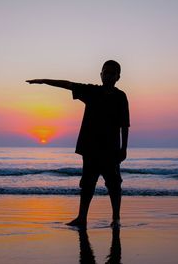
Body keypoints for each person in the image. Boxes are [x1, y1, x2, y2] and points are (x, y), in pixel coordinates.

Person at [26, 60, 130, 228]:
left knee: (114, 184)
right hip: (90, 147)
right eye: (106, 72)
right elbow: (67, 84)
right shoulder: (91, 91)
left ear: (118, 77)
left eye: (112, 73)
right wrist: (44, 81)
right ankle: (82, 217)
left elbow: (124, 124)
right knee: (88, 183)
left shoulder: (120, 97)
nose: (108, 75)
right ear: (101, 74)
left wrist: (124, 148)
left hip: (111, 149)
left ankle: (116, 218)